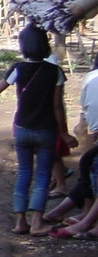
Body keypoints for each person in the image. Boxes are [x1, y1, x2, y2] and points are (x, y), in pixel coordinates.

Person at [0, 24, 78, 236]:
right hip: (46, 130)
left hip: (22, 129)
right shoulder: (55, 72)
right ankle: (36, 223)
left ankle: (20, 222)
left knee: (24, 174)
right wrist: (64, 133)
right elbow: (57, 106)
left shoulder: (18, 69)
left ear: (23, 46)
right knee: (43, 176)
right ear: (44, 45)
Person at [48, 55, 98, 238]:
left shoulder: (91, 77)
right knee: (88, 162)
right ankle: (80, 211)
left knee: (93, 165)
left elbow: (85, 108)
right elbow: (86, 108)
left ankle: (85, 220)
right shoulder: (91, 77)